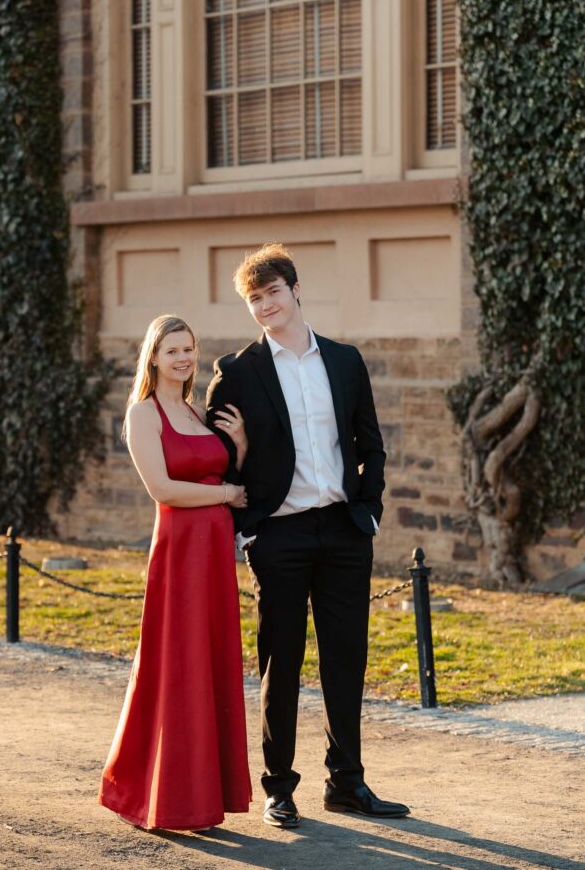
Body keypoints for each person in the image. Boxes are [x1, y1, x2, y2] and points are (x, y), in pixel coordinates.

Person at [206, 244, 410, 829]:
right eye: (254, 299)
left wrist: (367, 509)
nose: (265, 305)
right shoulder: (238, 372)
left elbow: (370, 443)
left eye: (272, 292)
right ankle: (279, 788)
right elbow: (218, 456)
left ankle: (347, 782)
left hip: (345, 531)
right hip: (280, 536)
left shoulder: (345, 361)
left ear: (296, 291)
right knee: (282, 663)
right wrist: (246, 520)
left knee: (346, 661)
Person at [99, 314, 252, 832]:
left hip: (213, 552)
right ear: (154, 358)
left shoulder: (195, 410)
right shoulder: (144, 413)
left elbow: (218, 473)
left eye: (189, 349)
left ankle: (206, 794)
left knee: (208, 664)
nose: (183, 358)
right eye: (172, 351)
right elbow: (163, 490)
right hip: (180, 551)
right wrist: (226, 494)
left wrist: (241, 452)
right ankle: (162, 795)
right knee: (176, 665)